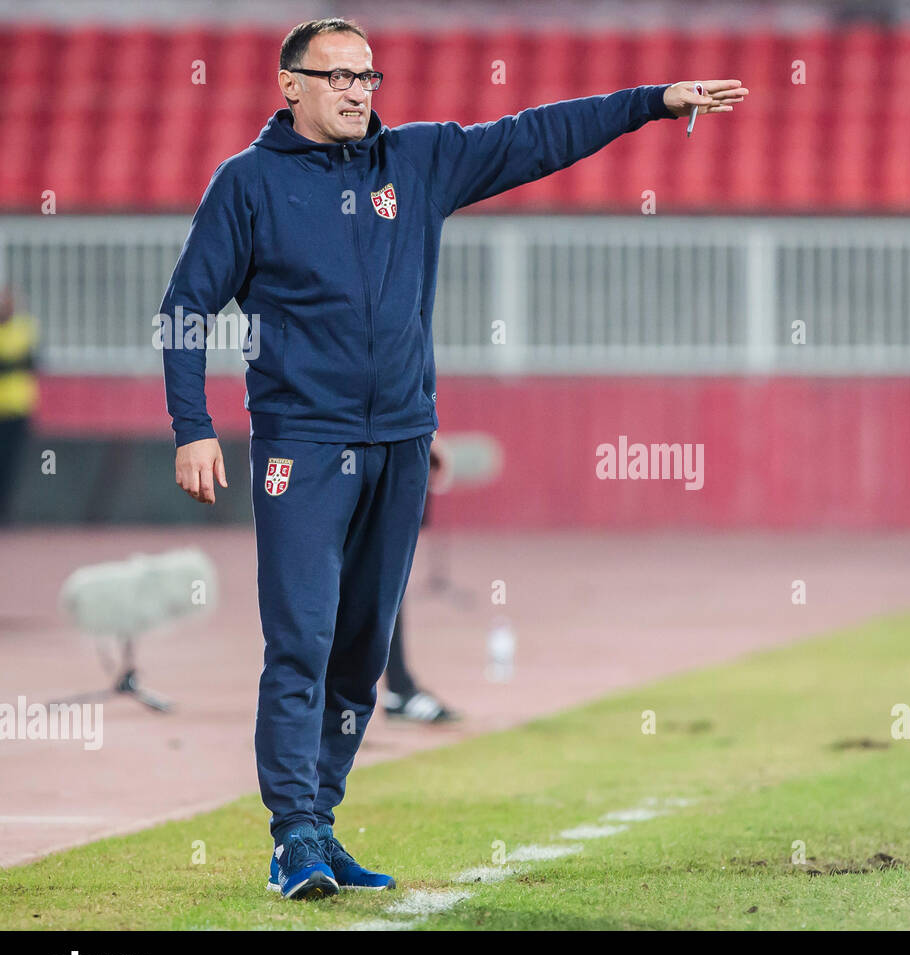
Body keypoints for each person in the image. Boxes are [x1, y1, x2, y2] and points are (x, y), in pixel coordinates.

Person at [160, 16, 746, 900]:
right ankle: (291, 839)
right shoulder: (246, 187)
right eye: (338, 76)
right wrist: (191, 424)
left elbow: (535, 137)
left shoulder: (420, 161)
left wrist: (651, 104)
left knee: (362, 652)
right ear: (290, 85)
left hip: (401, 438)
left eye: (368, 76)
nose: (359, 91)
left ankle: (319, 823)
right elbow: (183, 308)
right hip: (303, 445)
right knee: (303, 641)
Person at [382, 433, 459, 724]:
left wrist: (428, 434)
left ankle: (398, 689)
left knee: (382, 573)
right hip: (330, 440)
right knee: (343, 575)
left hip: (382, 435)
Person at [0, 287, 38, 525]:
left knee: (12, 464)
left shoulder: (25, 328)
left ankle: (6, 511)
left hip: (19, 407)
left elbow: (32, 361)